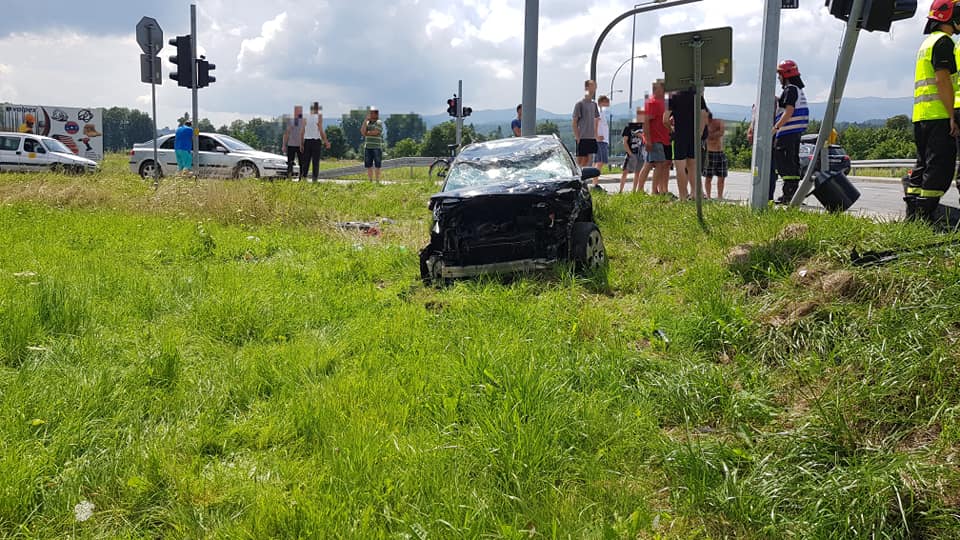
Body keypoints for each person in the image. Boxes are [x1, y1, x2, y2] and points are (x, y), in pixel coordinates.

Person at [907, 0, 960, 221]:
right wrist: (951, 116)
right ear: (948, 17)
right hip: (939, 115)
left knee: (922, 166)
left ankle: (913, 216)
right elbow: (942, 80)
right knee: (939, 170)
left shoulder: (927, 43)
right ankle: (925, 216)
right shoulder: (944, 42)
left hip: (921, 116)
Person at [772, 60, 810, 204]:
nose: (778, 78)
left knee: (784, 162)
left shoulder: (790, 89)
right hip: (794, 132)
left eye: (779, 75)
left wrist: (776, 127)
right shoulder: (798, 90)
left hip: (787, 132)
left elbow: (789, 111)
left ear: (785, 75)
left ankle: (789, 194)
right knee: (792, 162)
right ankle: (792, 194)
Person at [666, 88, 709, 201]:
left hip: (680, 136)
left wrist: (672, 130)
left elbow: (665, 119)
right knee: (693, 167)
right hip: (694, 136)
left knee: (680, 168)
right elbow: (704, 115)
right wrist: (699, 134)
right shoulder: (697, 96)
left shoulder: (673, 97)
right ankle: (695, 194)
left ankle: (683, 197)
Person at [645, 80, 672, 196]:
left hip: (665, 138)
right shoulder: (653, 103)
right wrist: (648, 140)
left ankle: (663, 190)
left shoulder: (664, 103)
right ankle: (654, 191)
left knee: (665, 164)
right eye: (663, 87)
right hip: (656, 139)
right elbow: (646, 122)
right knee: (659, 164)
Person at [572, 79, 600, 170]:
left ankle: (586, 177)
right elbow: (574, 122)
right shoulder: (580, 104)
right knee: (580, 161)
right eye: (592, 85)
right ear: (586, 88)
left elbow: (596, 120)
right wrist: (577, 137)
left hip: (591, 137)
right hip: (582, 137)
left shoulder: (594, 104)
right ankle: (577, 175)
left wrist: (596, 135)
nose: (594, 87)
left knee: (588, 160)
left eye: (595, 85)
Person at [301, 102, 331, 183]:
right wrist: (326, 142)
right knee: (315, 162)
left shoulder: (305, 116)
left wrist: (301, 143)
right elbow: (321, 130)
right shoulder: (319, 116)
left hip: (307, 141)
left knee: (306, 161)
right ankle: (314, 179)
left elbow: (302, 131)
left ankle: (304, 178)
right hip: (316, 141)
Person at [619, 107, 645, 193]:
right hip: (631, 152)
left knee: (638, 173)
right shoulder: (629, 126)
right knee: (625, 172)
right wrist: (630, 153)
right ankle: (620, 191)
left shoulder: (645, 126)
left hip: (641, 153)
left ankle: (634, 191)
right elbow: (625, 141)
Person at [703, 112, 728, 199]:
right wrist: (713, 134)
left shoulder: (719, 122)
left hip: (720, 153)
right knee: (708, 177)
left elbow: (721, 132)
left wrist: (712, 134)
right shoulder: (704, 126)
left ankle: (720, 197)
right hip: (710, 153)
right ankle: (708, 196)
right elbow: (708, 137)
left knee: (722, 177)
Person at [361, 107, 385, 182]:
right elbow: (362, 132)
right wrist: (365, 121)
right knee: (368, 165)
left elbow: (376, 132)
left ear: (376, 114)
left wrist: (366, 133)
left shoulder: (379, 122)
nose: (369, 115)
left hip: (376, 147)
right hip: (367, 147)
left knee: (377, 165)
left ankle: (377, 180)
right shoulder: (367, 123)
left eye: (371, 113)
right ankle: (370, 181)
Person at [282, 105, 305, 180]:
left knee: (302, 163)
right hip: (291, 144)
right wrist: (284, 145)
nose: (299, 112)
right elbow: (286, 133)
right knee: (290, 163)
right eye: (297, 111)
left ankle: (301, 178)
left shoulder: (304, 121)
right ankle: (289, 178)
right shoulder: (290, 121)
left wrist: (303, 144)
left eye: (300, 111)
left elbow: (305, 133)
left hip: (300, 145)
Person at [593, 96, 611, 182]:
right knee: (600, 162)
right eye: (607, 102)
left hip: (602, 140)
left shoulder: (601, 112)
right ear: (602, 102)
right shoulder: (598, 112)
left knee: (597, 162)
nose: (608, 104)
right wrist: (596, 136)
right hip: (600, 141)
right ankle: (595, 183)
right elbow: (595, 123)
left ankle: (594, 182)